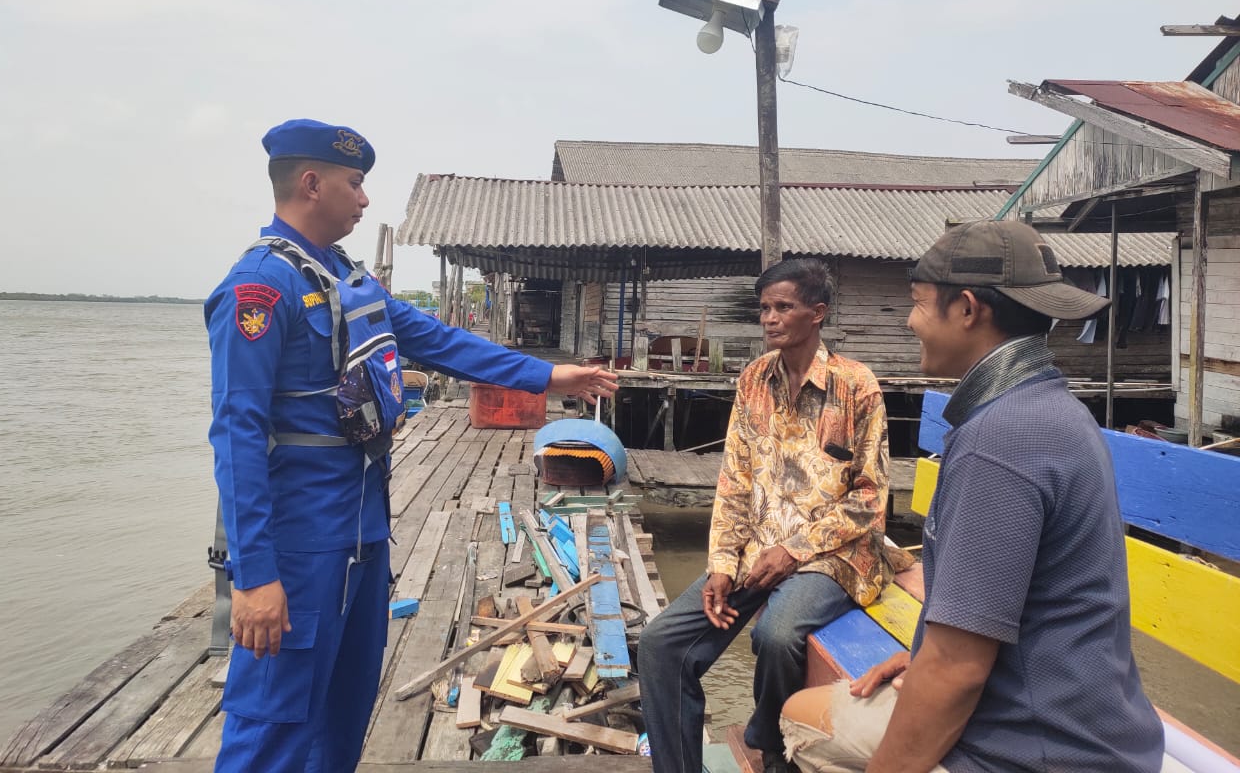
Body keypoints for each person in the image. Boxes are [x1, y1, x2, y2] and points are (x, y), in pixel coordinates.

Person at [205, 118, 618, 773]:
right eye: (355, 183)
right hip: (297, 548)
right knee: (273, 729)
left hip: (364, 540)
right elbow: (237, 433)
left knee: (343, 718)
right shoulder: (261, 288)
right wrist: (254, 577)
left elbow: (442, 343)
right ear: (311, 184)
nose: (366, 199)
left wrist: (549, 375)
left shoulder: (347, 280)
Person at [781, 219, 1166, 773]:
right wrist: (921, 655)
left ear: (966, 309)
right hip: (1098, 723)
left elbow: (958, 670)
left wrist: (930, 671)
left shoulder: (998, 441)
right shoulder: (1054, 410)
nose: (910, 321)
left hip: (1043, 751)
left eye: (916, 303)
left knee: (800, 717)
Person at [639, 258, 891, 773]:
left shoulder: (856, 385)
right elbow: (734, 480)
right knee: (661, 645)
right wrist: (721, 565)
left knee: (775, 635)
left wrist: (793, 550)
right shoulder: (754, 380)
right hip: (758, 550)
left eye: (783, 307)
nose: (770, 319)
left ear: (816, 313)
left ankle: (771, 744)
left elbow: (869, 498)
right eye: (764, 308)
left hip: (832, 555)